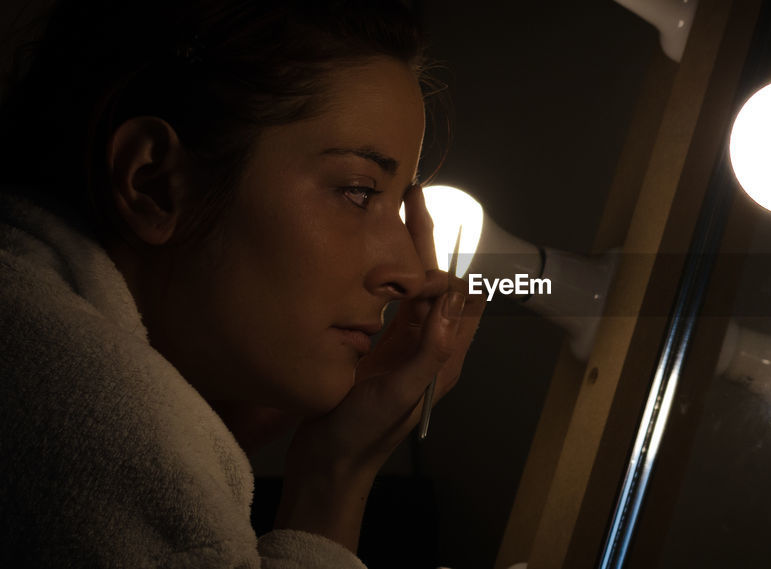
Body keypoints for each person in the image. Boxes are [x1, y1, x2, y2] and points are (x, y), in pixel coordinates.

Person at [0, 0, 485, 566]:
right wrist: (336, 476)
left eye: (400, 207)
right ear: (155, 182)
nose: (406, 271)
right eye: (358, 191)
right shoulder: (94, 432)